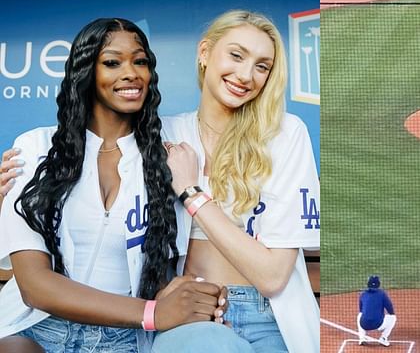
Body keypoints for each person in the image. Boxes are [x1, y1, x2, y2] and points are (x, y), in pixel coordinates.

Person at [0, 18, 244, 353]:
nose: (131, 73)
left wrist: (192, 299)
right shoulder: (36, 148)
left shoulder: (165, 158)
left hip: (125, 337)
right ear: (86, 72)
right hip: (36, 330)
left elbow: (158, 274)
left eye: (140, 61)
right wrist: (154, 313)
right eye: (112, 62)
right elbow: (34, 286)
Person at [152, 10, 320, 353]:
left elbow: (272, 276)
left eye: (262, 66)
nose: (246, 75)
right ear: (204, 53)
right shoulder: (163, 132)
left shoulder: (285, 134)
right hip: (192, 313)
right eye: (236, 55)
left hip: (268, 316)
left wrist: (191, 194)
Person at [356, 275, 396, 347]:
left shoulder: (363, 294)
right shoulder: (382, 294)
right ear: (378, 284)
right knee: (393, 317)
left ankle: (362, 338)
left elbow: (361, 309)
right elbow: (390, 308)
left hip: (364, 324)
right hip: (379, 324)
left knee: (360, 315)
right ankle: (383, 338)